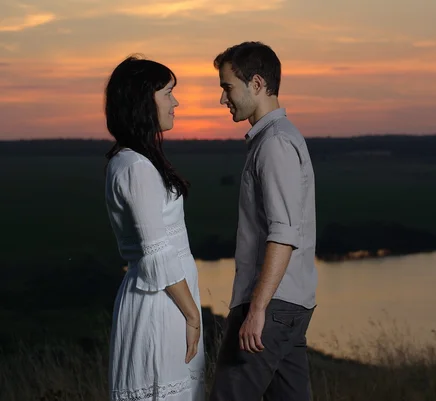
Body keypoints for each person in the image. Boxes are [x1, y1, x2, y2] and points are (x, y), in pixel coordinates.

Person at [209, 41, 318, 401]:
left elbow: (283, 234)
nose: (223, 99)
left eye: (227, 87)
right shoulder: (275, 140)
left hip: (272, 306)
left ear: (256, 84)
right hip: (285, 305)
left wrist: (256, 310)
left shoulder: (275, 143)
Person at [104, 55, 205, 401]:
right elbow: (156, 251)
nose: (175, 102)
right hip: (160, 303)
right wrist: (193, 316)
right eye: (168, 92)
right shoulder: (135, 166)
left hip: (169, 300)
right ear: (143, 100)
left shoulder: (137, 161)